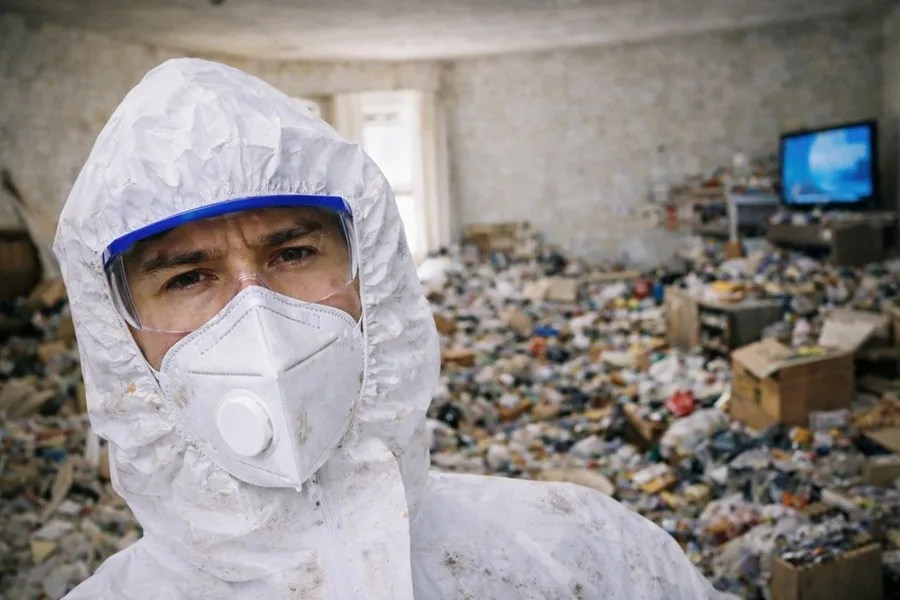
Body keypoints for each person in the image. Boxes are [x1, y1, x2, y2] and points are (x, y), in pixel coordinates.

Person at [54, 58, 728, 599]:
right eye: (187, 278)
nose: (254, 315)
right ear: (118, 340)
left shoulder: (586, 554)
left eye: (292, 254)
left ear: (373, 277)